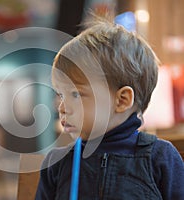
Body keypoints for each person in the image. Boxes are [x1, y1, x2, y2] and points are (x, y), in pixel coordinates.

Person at [35, 14, 184, 200]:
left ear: (122, 100)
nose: (63, 108)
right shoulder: (57, 163)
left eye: (76, 94)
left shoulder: (160, 158)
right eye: (61, 95)